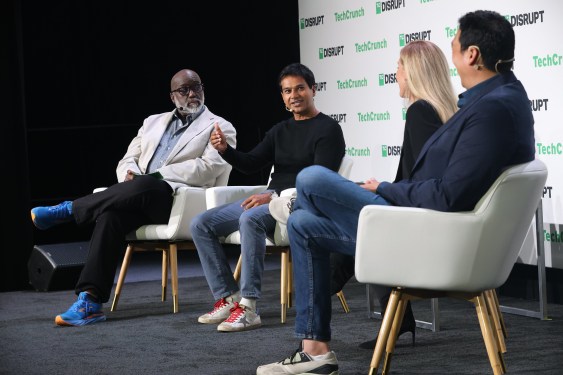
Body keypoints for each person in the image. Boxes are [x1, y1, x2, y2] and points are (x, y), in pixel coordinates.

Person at [257, 10, 535, 375]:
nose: (450, 55)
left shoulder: (493, 109)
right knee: (304, 226)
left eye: (453, 45)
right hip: (423, 224)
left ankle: (293, 202)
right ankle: (315, 350)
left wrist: (386, 189)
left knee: (310, 179)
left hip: (428, 237)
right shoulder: (496, 100)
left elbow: (449, 195)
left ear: (472, 55)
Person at [30, 69, 237, 326]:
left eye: (197, 87)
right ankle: (90, 301)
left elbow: (209, 167)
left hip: (178, 201)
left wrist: (156, 176)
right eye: (184, 90)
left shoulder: (220, 126)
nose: (192, 94)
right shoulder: (152, 122)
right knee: (110, 216)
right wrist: (131, 175)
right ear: (172, 97)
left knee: (150, 184)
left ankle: (71, 209)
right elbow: (128, 159)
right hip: (139, 196)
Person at [190, 62, 346, 333]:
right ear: (282, 96)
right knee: (201, 224)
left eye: (300, 88)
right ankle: (228, 298)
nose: (294, 95)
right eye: (287, 91)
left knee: (250, 218)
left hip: (300, 204)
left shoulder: (328, 130)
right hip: (272, 200)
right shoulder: (280, 130)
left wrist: (273, 197)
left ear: (313, 89)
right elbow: (251, 163)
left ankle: (249, 307)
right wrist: (226, 150)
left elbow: (319, 180)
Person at [330, 40, 459, 350]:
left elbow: (427, 182)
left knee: (338, 206)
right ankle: (392, 315)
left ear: (413, 72)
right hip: (432, 220)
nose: (396, 73)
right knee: (358, 213)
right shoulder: (440, 111)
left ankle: (323, 290)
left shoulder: (420, 111)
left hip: (423, 225)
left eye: (399, 66)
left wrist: (384, 190)